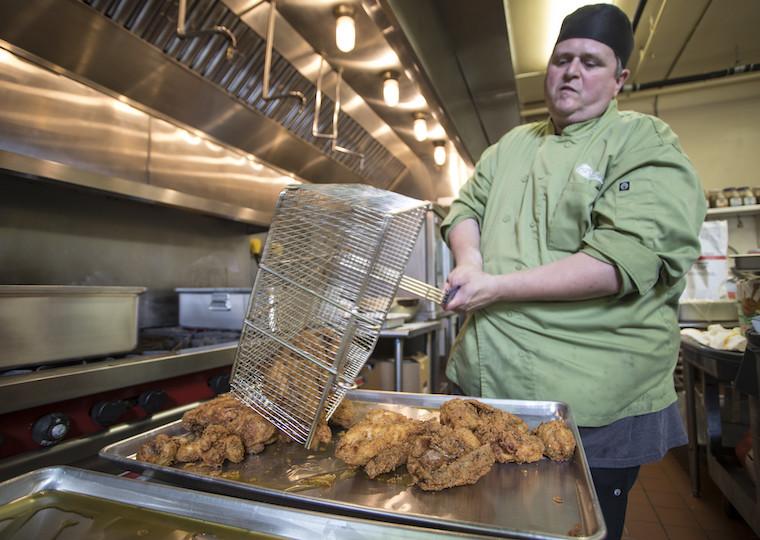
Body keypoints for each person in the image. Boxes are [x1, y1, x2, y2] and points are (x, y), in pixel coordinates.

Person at [440, 4, 706, 539]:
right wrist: (469, 260)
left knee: (571, 531)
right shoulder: (512, 145)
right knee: (489, 525)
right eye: (563, 59)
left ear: (619, 80)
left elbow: (619, 261)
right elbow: (466, 208)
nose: (573, 71)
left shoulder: (642, 141)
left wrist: (494, 288)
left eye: (591, 61)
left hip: (590, 401)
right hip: (488, 384)